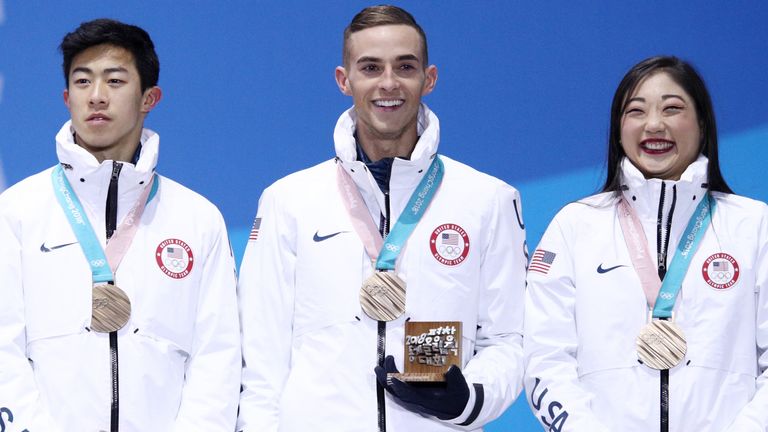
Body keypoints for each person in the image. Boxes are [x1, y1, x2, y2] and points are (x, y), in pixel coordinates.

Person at [236, 5, 527, 431]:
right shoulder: (289, 200)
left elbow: (508, 340)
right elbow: (259, 354)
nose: (388, 84)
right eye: (370, 67)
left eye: (404, 67)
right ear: (344, 80)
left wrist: (469, 399)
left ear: (428, 79)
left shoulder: (487, 199)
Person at [0, 19, 240, 431]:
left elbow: (217, 355)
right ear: (66, 96)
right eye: (82, 82)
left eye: (114, 81)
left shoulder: (198, 218)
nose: (96, 97)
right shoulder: (16, 211)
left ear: (150, 97)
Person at [524, 55, 768, 431]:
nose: (654, 125)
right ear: (618, 128)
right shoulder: (575, 226)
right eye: (636, 111)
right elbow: (544, 360)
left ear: (702, 123)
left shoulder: (755, 226)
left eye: (672, 109)